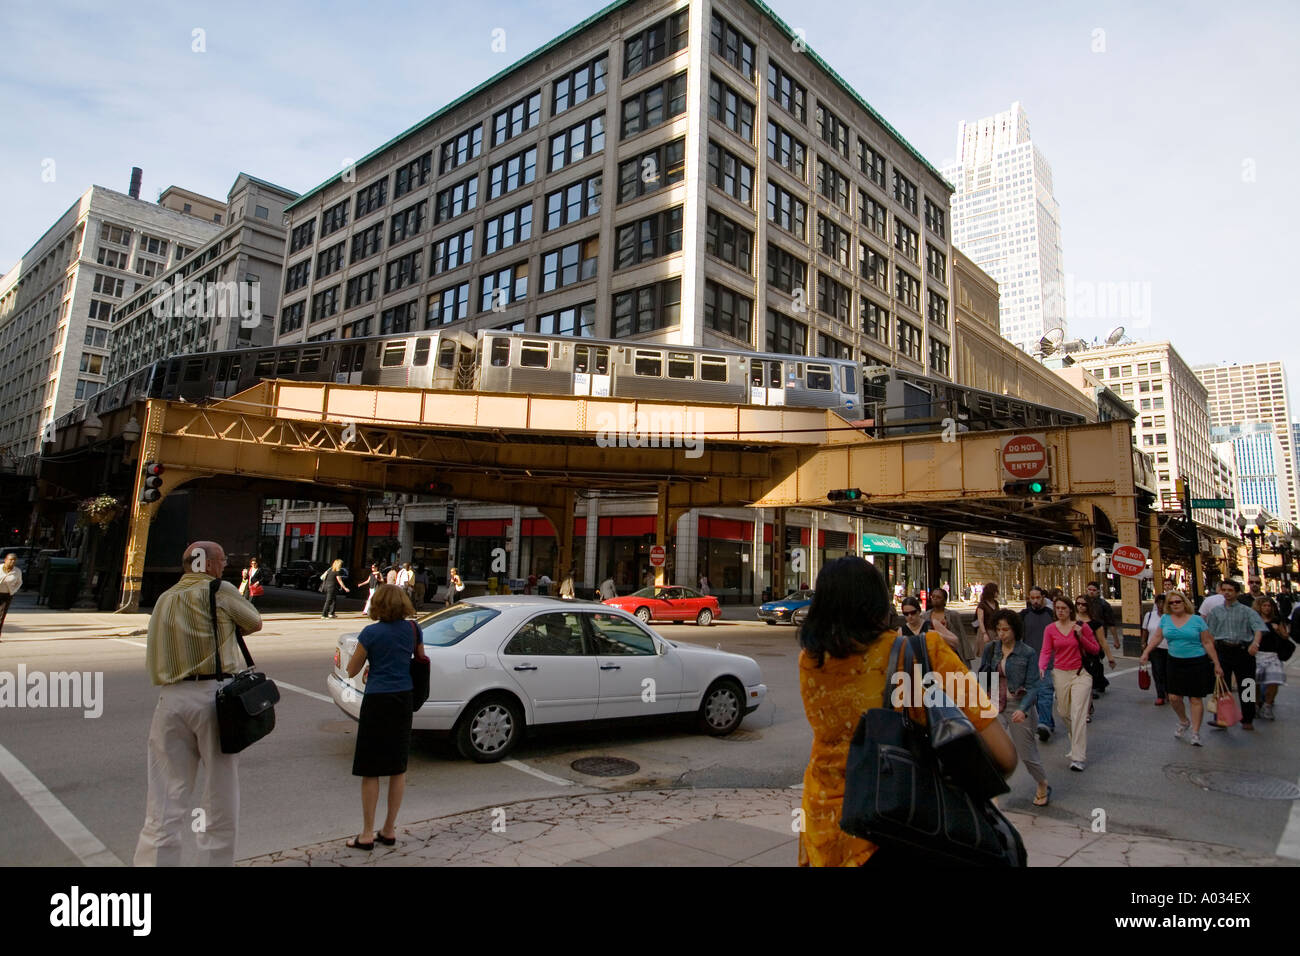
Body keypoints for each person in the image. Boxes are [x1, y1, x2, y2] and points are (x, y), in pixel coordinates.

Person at [797, 556, 1016, 866]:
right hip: (897, 823)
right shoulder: (923, 652)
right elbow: (1004, 756)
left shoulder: (809, 661)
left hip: (824, 825)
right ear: (879, 602)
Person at [134, 541, 263, 866]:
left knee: (164, 797)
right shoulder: (220, 590)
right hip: (214, 698)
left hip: (171, 699)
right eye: (222, 560)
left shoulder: (165, 598)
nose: (224, 566)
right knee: (219, 793)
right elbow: (253, 622)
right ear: (207, 564)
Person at [344, 584, 422, 850]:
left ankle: (366, 833)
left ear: (377, 605)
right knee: (398, 766)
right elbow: (421, 660)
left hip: (377, 700)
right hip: (403, 699)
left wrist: (371, 662)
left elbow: (352, 670)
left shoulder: (371, 632)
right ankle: (389, 829)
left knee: (371, 768)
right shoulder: (413, 629)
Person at [978, 608, 1050, 806]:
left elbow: (1034, 685)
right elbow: (983, 674)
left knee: (1027, 753)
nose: (1001, 634)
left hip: (1018, 704)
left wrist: (1023, 709)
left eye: (1006, 630)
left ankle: (1042, 783)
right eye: (999, 629)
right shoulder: (991, 649)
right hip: (994, 703)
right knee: (991, 750)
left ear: (1015, 630)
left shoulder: (1027, 653)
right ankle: (992, 793)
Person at [1138, 590, 1220, 746]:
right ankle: (1184, 720)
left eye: (1178, 601)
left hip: (1197, 661)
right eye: (1171, 603)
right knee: (1174, 697)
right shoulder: (1165, 619)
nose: (1175, 605)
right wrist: (1146, 652)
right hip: (1175, 662)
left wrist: (1216, 662)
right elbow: (1157, 637)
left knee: (1195, 698)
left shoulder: (1197, 620)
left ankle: (1195, 733)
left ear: (1184, 602)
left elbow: (1207, 642)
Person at [1040, 594, 1100, 772]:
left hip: (1080, 673)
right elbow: (1045, 651)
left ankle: (1078, 757)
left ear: (1070, 610)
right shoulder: (1050, 629)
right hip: (1060, 673)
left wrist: (1081, 637)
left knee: (1078, 713)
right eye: (1057, 608)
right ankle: (1075, 740)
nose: (1060, 611)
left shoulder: (1081, 627)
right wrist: (1042, 667)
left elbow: (1095, 649)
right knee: (1064, 712)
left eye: (1064, 608)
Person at [1204, 579, 1264, 732]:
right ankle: (1222, 717)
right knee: (1221, 686)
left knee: (1248, 685)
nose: (1227, 593)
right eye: (1224, 590)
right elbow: (1210, 633)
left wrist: (1255, 644)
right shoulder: (1216, 611)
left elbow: (1258, 628)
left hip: (1243, 651)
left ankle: (1248, 717)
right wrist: (1211, 653)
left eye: (1230, 590)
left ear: (1237, 592)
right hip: (1223, 650)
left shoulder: (1247, 611)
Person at [1021, 586, 1057, 742]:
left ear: (1043, 598)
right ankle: (1048, 722)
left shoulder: (1051, 615)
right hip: (1029, 661)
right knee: (1033, 696)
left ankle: (1043, 724)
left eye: (1037, 598)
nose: (1034, 601)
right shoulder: (1023, 615)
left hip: (1048, 661)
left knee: (1045, 694)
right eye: (1032, 598)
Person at [1253, 595, 1288, 721]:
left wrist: (1278, 629)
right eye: (1264, 605)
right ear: (1259, 607)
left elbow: (1285, 636)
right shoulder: (1254, 620)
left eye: (1269, 605)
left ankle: (1267, 705)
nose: (1267, 608)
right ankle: (1255, 705)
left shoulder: (1276, 620)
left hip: (1273, 655)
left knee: (1274, 681)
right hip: (1257, 654)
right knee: (1253, 682)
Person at [1075, 596, 1117, 698]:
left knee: (1091, 673)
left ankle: (1091, 690)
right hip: (1074, 652)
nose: (1080, 606)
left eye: (1084, 604)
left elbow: (1102, 641)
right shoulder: (1070, 619)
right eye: (1078, 604)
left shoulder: (1095, 623)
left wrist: (1110, 658)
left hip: (1091, 653)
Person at [926, 587, 974, 664]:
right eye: (933, 596)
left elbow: (962, 635)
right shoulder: (925, 616)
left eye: (938, 597)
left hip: (951, 652)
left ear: (944, 600)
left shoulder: (953, 615)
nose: (935, 599)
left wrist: (967, 656)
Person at [1141, 593, 1169, 705]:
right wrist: (1143, 643)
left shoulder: (1170, 616)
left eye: (1163, 602)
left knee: (1168, 671)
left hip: (1169, 647)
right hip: (1154, 647)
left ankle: (1168, 690)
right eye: (1158, 602)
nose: (1160, 605)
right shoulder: (1149, 615)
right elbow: (1145, 630)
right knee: (1158, 671)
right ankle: (1160, 695)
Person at [1086, 581, 1117, 651]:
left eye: (1094, 590)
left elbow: (1111, 623)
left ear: (1098, 591)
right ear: (1086, 589)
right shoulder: (1082, 602)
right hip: (1084, 634)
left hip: (1098, 635)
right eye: (1089, 589)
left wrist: (1116, 639)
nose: (1091, 592)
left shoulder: (1104, 605)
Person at [0, 551, 23, 639]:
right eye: (10, 560)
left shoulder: (17, 571)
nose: (12, 562)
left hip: (7, 595)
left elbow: (19, 582)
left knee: (1, 616)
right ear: (5, 560)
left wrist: (14, 590)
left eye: (14, 560)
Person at [975, 581, 1000, 654]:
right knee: (986, 655)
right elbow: (980, 620)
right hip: (986, 631)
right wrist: (984, 634)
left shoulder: (996, 603)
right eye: (995, 591)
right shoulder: (982, 605)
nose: (997, 593)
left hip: (995, 631)